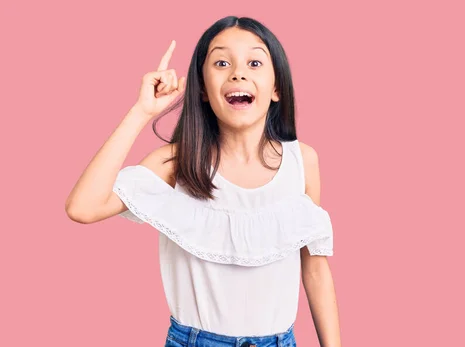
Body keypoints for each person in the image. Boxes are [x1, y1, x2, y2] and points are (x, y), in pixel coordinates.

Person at [65, 15, 341, 347]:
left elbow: (315, 270)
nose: (238, 73)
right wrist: (141, 111)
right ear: (204, 90)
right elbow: (83, 207)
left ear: (277, 88)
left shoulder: (303, 162)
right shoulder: (175, 162)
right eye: (221, 62)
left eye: (254, 62)